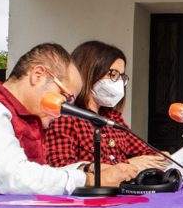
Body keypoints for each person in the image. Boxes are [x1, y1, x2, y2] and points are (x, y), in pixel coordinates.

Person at [0, 43, 138, 203]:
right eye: (66, 97)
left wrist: (89, 169)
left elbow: (35, 173)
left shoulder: (24, 118)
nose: (64, 108)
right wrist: (89, 180)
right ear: (38, 75)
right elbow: (13, 178)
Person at [44, 41, 168, 171]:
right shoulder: (64, 117)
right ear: (89, 72)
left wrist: (160, 158)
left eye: (121, 76)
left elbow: (145, 152)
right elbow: (62, 169)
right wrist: (126, 166)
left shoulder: (113, 118)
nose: (118, 82)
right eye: (113, 74)